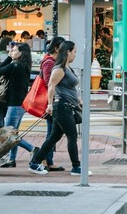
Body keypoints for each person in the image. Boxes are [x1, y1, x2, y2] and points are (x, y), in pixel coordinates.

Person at [28, 41, 89, 175]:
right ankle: (76, 167)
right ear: (67, 52)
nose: (75, 55)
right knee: (72, 136)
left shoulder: (67, 68)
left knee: (53, 137)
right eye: (74, 52)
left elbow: (69, 87)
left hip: (67, 106)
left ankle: (35, 162)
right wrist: (49, 105)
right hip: (62, 107)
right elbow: (51, 86)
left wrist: (78, 100)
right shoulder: (59, 69)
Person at [0, 42, 36, 168]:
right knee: (14, 133)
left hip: (14, 105)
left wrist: (9, 57)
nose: (11, 52)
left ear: (21, 53)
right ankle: (11, 159)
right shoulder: (23, 66)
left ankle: (32, 149)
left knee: (9, 134)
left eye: (14, 50)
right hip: (20, 105)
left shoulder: (15, 66)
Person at [36, 37, 65, 171]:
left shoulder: (55, 62)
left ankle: (46, 160)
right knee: (51, 134)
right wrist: (51, 104)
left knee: (52, 133)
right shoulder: (49, 62)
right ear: (57, 49)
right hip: (51, 103)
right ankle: (45, 160)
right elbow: (49, 83)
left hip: (53, 102)